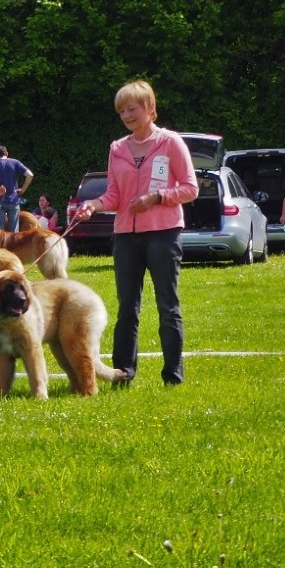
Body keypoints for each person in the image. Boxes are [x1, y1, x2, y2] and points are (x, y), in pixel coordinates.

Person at [73, 79, 198, 386]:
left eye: (132, 108)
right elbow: (114, 196)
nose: (126, 115)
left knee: (168, 306)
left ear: (149, 109)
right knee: (127, 308)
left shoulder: (170, 143)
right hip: (126, 236)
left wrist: (158, 197)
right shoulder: (117, 148)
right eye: (121, 111)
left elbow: (191, 188)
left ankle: (173, 376)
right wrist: (93, 205)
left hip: (163, 233)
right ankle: (123, 374)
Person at [0, 145, 34, 232]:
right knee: (14, 231)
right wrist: (23, 189)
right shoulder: (15, 162)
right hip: (13, 200)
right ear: (6, 153)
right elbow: (30, 175)